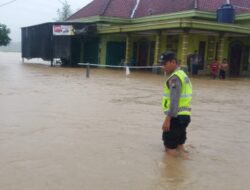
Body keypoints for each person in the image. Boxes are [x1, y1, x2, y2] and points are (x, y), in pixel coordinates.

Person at [159, 52, 192, 156]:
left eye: (165, 64)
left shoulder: (175, 78)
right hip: (185, 116)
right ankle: (182, 167)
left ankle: (172, 171)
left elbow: (174, 100)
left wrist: (167, 120)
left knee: (169, 148)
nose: (162, 67)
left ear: (173, 62)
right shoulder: (183, 75)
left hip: (175, 117)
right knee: (179, 145)